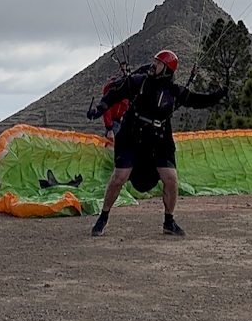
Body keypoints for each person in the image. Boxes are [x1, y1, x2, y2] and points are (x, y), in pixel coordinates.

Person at [87, 50, 226, 237]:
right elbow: (114, 95)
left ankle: (169, 221)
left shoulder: (174, 92)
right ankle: (103, 217)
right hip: (133, 135)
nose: (153, 65)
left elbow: (198, 101)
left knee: (171, 179)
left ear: (167, 69)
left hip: (159, 139)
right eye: (154, 61)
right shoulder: (138, 82)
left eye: (158, 63)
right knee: (119, 177)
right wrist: (99, 109)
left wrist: (219, 94)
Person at [101, 63, 131, 142]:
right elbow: (106, 108)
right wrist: (109, 128)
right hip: (113, 123)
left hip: (122, 124)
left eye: (126, 70)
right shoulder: (112, 86)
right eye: (122, 69)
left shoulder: (129, 86)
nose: (124, 72)